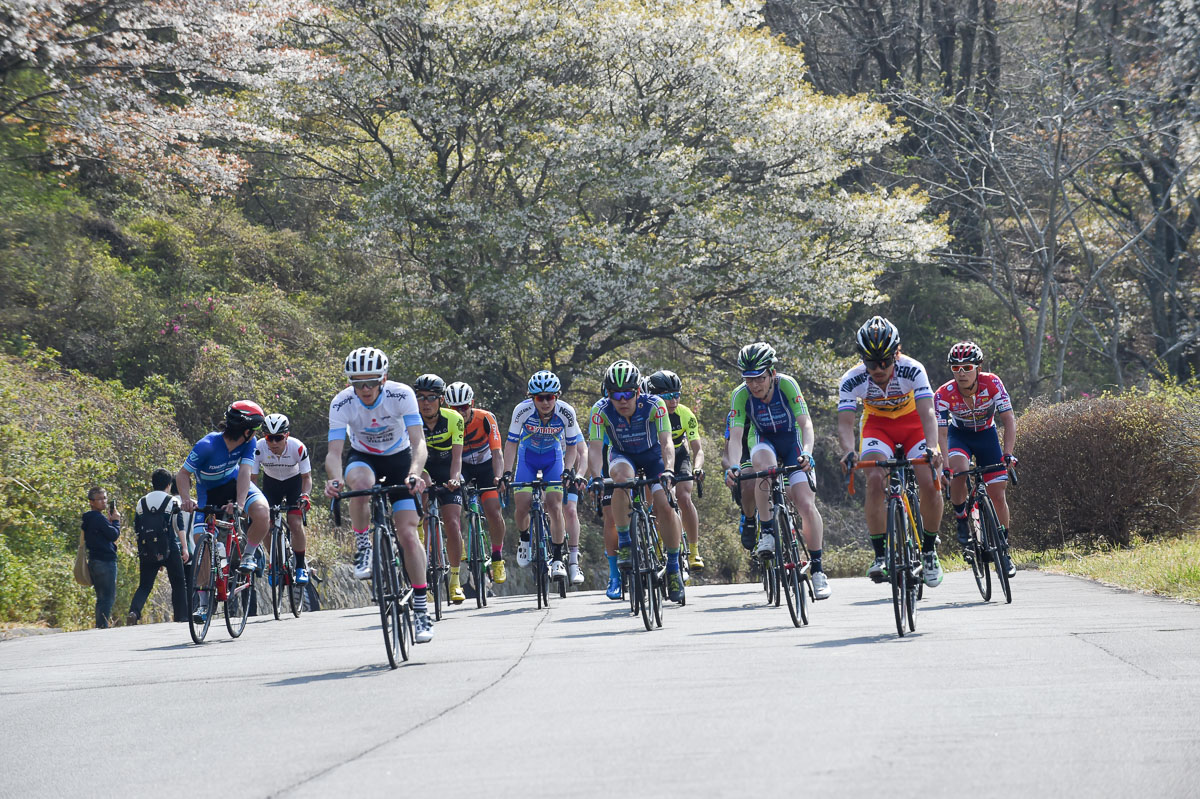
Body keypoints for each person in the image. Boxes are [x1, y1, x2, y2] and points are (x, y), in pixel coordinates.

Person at [324, 347, 434, 643]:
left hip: (400, 459)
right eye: (358, 383)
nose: (366, 389)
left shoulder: (401, 395)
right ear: (350, 383)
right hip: (364, 456)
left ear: (383, 379)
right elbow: (334, 454)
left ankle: (422, 609)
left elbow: (419, 442)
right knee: (358, 482)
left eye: (371, 382)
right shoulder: (342, 403)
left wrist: (414, 472)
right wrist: (334, 479)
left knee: (408, 534)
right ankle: (363, 546)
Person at [836, 316, 945, 586]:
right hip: (878, 426)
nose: (879, 369)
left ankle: (929, 550)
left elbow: (928, 411)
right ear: (863, 360)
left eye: (885, 361)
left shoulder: (913, 369)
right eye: (872, 363)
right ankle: (881, 555)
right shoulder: (852, 379)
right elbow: (845, 423)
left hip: (914, 426)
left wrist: (932, 446)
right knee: (874, 480)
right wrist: (849, 451)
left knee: (929, 482)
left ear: (897, 353)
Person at [723, 343, 831, 600]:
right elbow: (736, 437)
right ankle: (768, 531)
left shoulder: (787, 385)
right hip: (762, 441)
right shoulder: (740, 395)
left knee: (805, 504)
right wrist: (735, 465)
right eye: (748, 379)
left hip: (791, 442)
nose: (754, 385)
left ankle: (817, 570)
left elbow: (805, 423)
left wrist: (807, 452)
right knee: (762, 466)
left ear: (771, 373)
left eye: (759, 378)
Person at [587, 360, 686, 603]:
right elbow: (595, 447)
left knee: (664, 504)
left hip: (654, 456)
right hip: (623, 456)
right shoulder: (600, 410)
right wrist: (597, 478)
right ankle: (625, 542)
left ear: (638, 392)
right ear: (607, 393)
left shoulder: (655, 405)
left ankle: (673, 567)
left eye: (627, 394)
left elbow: (666, 443)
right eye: (615, 394)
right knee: (620, 479)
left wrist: (669, 471)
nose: (622, 400)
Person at [176, 400, 271, 623]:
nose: (254, 434)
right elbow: (182, 475)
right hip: (209, 494)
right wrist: (186, 499)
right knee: (202, 543)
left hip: (234, 484)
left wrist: (238, 504)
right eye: (254, 430)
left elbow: (246, 472)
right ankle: (202, 603)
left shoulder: (249, 443)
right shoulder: (207, 445)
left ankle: (249, 554)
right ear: (246, 430)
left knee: (262, 513)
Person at [934, 341, 1018, 577]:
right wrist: (946, 467)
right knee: (959, 469)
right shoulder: (942, 394)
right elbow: (941, 433)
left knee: (998, 493)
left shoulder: (992, 383)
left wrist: (1008, 453)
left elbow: (1009, 420)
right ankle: (962, 517)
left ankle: (1003, 549)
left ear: (978, 367)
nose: (961, 373)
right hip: (959, 435)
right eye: (955, 368)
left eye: (967, 367)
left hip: (986, 434)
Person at [503, 370, 583, 584]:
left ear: (557, 396)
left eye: (550, 397)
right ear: (532, 398)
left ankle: (557, 558)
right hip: (527, 458)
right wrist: (506, 472)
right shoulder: (522, 411)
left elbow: (573, 448)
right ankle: (525, 539)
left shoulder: (566, 412)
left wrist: (567, 470)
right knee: (521, 505)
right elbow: (511, 443)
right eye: (540, 398)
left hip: (553, 457)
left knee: (555, 505)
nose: (546, 402)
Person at [445, 381, 508, 585]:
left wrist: (498, 477)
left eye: (464, 407)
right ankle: (461, 543)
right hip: (461, 466)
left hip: (486, 466)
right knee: (454, 509)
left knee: (493, 510)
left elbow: (497, 452)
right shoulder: (445, 421)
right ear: (448, 408)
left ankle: (497, 558)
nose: (461, 412)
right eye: (455, 408)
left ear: (471, 403)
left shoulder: (486, 418)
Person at [413, 374, 467, 604]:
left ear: (441, 399)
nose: (426, 402)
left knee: (453, 523)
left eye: (431, 397)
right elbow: (413, 455)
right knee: (422, 509)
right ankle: (422, 564)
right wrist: (421, 475)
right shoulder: (412, 419)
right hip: (423, 468)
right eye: (421, 397)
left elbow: (457, 457)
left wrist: (455, 479)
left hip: (447, 470)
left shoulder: (454, 419)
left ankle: (455, 581)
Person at [647, 369, 706, 572]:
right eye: (667, 397)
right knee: (658, 504)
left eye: (677, 395)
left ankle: (693, 550)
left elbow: (697, 448)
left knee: (683, 497)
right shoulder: (648, 414)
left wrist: (698, 468)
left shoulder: (685, 414)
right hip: (656, 458)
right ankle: (657, 545)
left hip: (680, 456)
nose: (673, 401)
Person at [252, 413, 313, 584]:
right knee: (265, 524)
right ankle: (276, 563)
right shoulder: (258, 448)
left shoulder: (297, 447)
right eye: (269, 438)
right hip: (271, 485)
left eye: (278, 438)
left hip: (294, 484)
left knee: (294, 523)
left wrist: (305, 495)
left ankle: (300, 566)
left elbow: (306, 478)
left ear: (286, 435)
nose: (273, 443)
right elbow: (253, 480)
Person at [127, 469, 190, 624]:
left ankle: (134, 612)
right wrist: (185, 548)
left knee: (144, 586)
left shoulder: (141, 502)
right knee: (178, 583)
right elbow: (178, 525)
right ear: (169, 485)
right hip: (170, 548)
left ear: (152, 483)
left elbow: (137, 528)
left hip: (147, 549)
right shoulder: (173, 501)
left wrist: (150, 551)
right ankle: (181, 616)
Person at [81, 487, 120, 628]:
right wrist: (116, 521)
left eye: (105, 498)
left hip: (94, 560)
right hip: (105, 561)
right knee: (107, 598)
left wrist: (109, 523)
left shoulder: (89, 518)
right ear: (91, 502)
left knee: (101, 598)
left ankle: (100, 625)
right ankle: (102, 626)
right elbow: (113, 535)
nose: (104, 501)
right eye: (100, 499)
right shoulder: (98, 518)